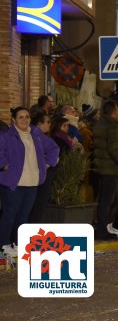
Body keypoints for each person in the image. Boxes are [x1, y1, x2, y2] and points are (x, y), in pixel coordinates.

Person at [0, 107, 59, 256]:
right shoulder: (6, 135)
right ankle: (4, 244)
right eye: (20, 117)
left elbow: (53, 148)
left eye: (27, 117)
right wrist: (4, 164)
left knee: (23, 215)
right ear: (13, 119)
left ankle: (17, 243)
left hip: (32, 182)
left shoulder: (36, 134)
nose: (24, 120)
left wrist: (47, 163)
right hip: (14, 183)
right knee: (9, 214)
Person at [92, 101, 118, 241]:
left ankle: (102, 228)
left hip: (102, 167)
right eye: (117, 111)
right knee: (106, 201)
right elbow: (115, 149)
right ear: (113, 112)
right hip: (110, 168)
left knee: (104, 200)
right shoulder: (111, 127)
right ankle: (102, 230)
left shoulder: (99, 125)